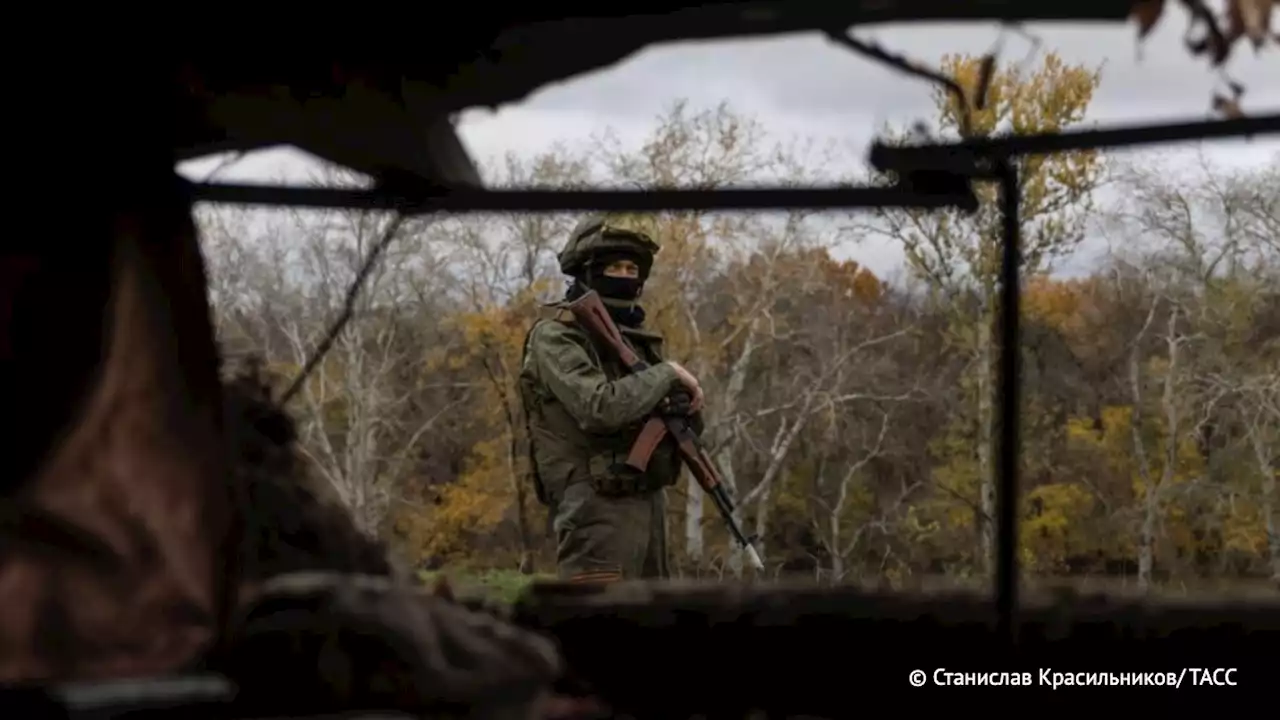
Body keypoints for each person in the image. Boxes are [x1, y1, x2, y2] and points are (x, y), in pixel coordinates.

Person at [518, 215, 705, 584]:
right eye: (613, 267)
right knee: (598, 629)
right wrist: (666, 373)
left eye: (631, 267)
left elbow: (679, 428)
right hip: (595, 510)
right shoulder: (556, 337)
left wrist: (684, 410)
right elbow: (598, 407)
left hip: (648, 505)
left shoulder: (635, 343)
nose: (624, 275)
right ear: (587, 273)